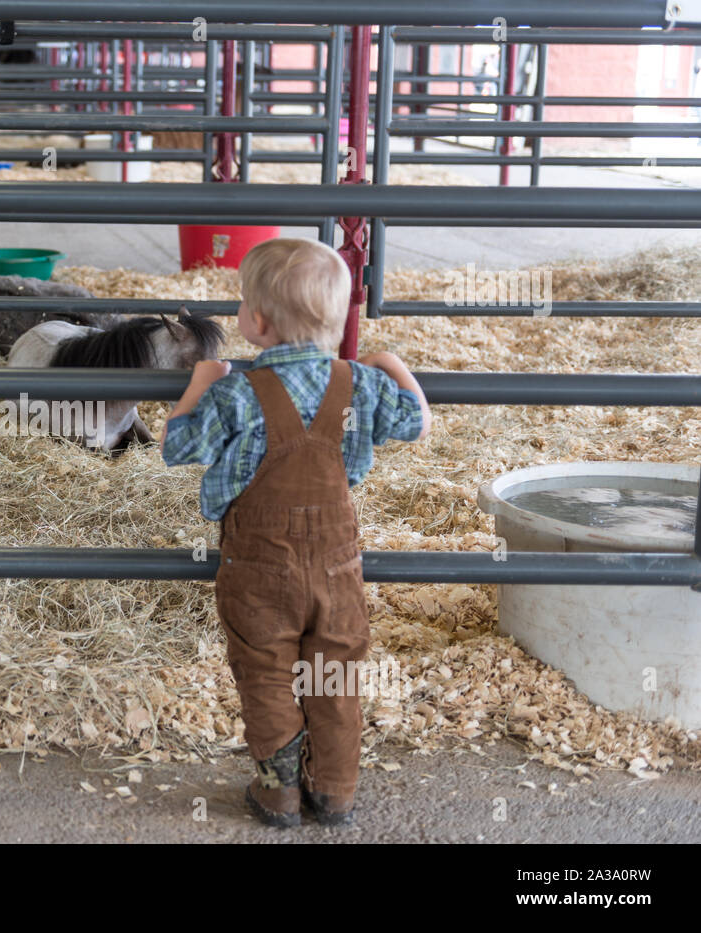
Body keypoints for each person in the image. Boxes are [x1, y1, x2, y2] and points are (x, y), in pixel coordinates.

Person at [162, 237, 431, 828]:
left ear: (256, 322)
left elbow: (177, 449)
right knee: (335, 670)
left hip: (257, 568)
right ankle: (334, 791)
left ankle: (278, 793)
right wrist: (391, 364)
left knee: (265, 671)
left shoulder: (235, 391)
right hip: (337, 566)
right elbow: (416, 422)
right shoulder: (361, 385)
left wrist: (200, 383)